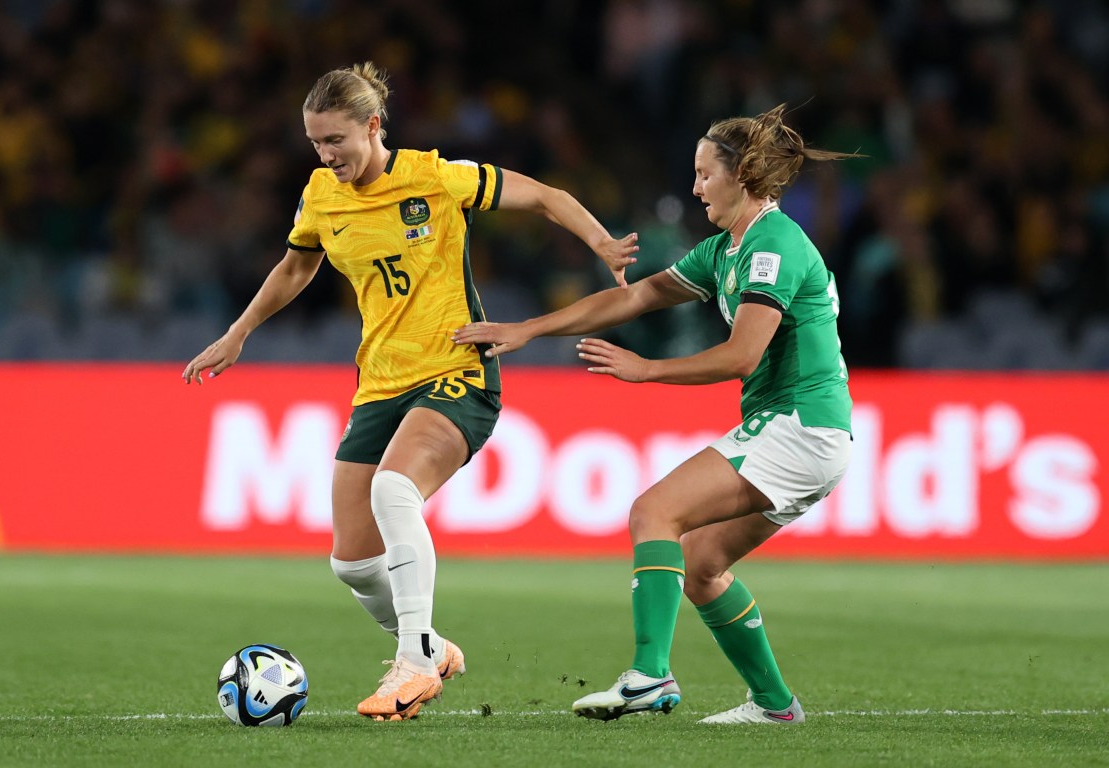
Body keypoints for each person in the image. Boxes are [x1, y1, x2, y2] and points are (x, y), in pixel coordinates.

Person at [183, 63, 638, 722]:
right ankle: (428, 644)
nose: (327, 156)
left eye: (337, 140)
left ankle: (415, 666)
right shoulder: (321, 195)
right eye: (316, 144)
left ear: (373, 126)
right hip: (380, 383)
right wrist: (240, 332)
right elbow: (296, 263)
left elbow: (542, 196)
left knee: (394, 490)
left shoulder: (435, 177)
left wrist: (600, 241)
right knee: (352, 562)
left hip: (456, 373)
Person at [453, 104, 856, 725]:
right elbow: (639, 295)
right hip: (804, 432)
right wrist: (529, 329)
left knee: (653, 511)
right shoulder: (727, 248)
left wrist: (647, 370)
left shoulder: (773, 243)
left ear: (742, 174)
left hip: (798, 424)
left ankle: (649, 675)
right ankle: (776, 706)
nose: (694, 188)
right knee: (701, 566)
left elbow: (743, 353)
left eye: (703, 174)